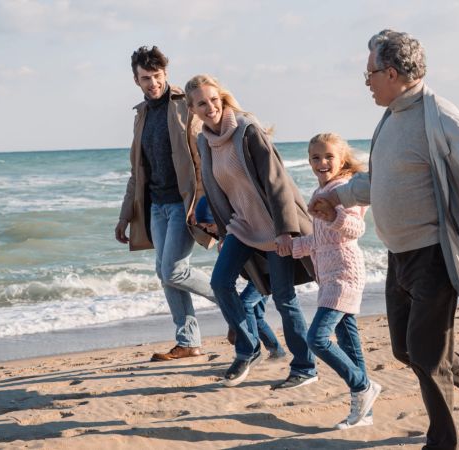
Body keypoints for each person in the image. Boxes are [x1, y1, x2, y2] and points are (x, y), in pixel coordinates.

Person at [309, 30, 459, 448]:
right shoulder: (390, 117)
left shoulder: (437, 113)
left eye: (370, 72)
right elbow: (383, 181)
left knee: (427, 357)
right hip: (398, 255)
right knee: (407, 351)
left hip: (434, 254)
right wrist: (337, 196)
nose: (367, 81)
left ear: (391, 72)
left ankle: (441, 442)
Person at [185, 74, 318, 389]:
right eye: (202, 103)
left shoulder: (247, 131)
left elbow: (277, 182)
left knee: (284, 298)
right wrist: (222, 233)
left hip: (275, 227)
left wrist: (285, 231)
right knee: (220, 282)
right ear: (192, 109)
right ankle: (248, 348)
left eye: (214, 100)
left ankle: (305, 367)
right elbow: (219, 190)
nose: (210, 107)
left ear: (223, 99)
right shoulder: (204, 141)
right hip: (242, 227)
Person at [114, 46, 217, 362]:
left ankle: (233, 300)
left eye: (157, 76)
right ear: (136, 80)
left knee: (173, 270)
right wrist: (124, 216)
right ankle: (188, 342)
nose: (152, 83)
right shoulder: (141, 115)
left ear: (165, 75)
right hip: (156, 206)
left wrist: (205, 204)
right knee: (165, 272)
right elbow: (137, 171)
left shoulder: (184, 106)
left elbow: (203, 158)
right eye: (146, 78)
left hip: (182, 204)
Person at [285, 133, 380, 429]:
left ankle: (363, 386)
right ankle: (364, 412)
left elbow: (355, 229)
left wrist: (332, 215)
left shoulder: (343, 189)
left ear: (341, 160)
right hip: (328, 276)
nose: (321, 162)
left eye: (328, 157)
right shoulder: (322, 190)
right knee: (350, 346)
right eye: (315, 157)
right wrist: (293, 246)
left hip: (344, 273)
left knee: (317, 338)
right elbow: (322, 239)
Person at [194, 197, 287, 361]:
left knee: (245, 305)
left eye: (209, 225)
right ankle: (277, 351)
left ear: (219, 219)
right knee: (255, 315)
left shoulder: (243, 229)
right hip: (257, 276)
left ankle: (252, 351)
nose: (209, 231)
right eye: (204, 228)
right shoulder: (227, 237)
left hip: (270, 273)